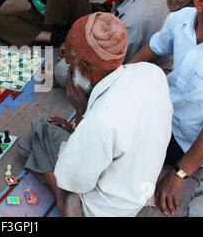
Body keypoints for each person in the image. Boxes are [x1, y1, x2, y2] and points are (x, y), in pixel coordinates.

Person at [18, 12, 173, 216]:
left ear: (84, 68)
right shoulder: (151, 72)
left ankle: (63, 202)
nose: (68, 69)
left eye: (70, 64)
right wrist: (81, 127)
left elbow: (77, 181)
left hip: (104, 209)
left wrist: (82, 114)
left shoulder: (99, 123)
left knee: (40, 130)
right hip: (138, 189)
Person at [128, 0, 203, 217]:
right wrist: (119, 80)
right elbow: (154, 47)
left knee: (120, 153)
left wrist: (179, 174)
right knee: (107, 121)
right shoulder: (180, 20)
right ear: (199, 4)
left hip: (187, 141)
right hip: (162, 114)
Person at [55, 0, 172, 87]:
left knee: (61, 70)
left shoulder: (133, 20)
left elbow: (111, 65)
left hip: (142, 75)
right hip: (135, 58)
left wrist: (76, 52)